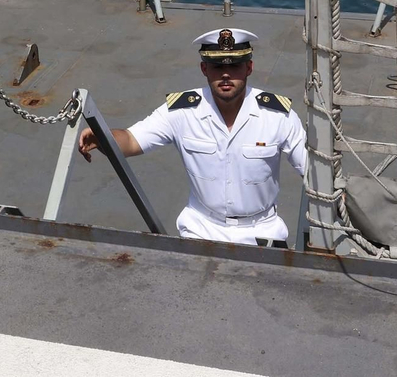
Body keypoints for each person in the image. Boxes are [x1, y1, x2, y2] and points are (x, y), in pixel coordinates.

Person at [78, 27, 307, 245]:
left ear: (249, 67)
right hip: (201, 228)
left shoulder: (278, 116)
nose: (226, 74)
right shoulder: (182, 111)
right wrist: (102, 136)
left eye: (235, 65)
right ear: (204, 69)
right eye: (217, 67)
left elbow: (313, 170)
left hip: (262, 230)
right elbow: (130, 140)